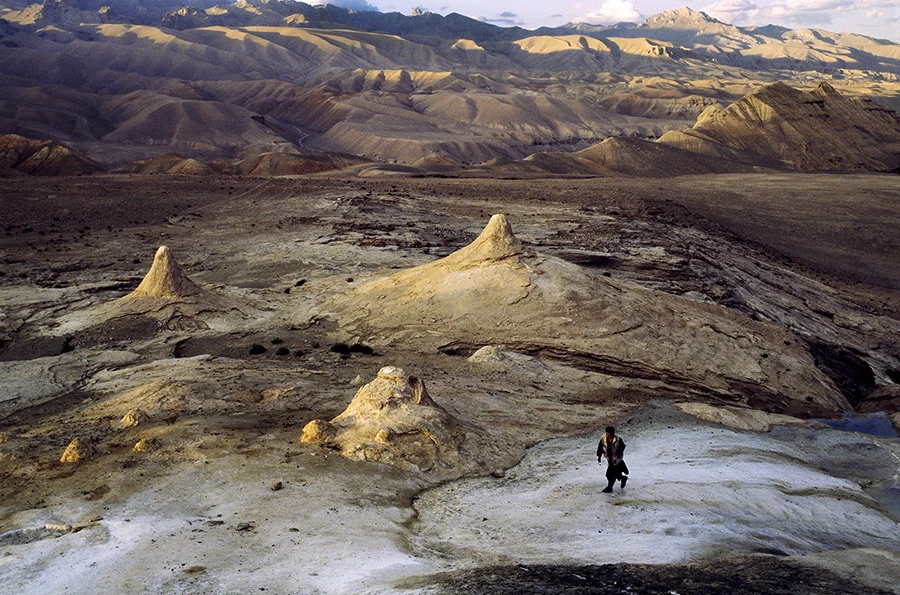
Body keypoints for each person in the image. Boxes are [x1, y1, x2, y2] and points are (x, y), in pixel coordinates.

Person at [597, 426, 628, 493]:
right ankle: (622, 478)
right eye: (607, 434)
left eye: (609, 435)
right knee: (614, 473)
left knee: (610, 474)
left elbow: (622, 447)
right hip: (609, 458)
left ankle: (610, 487)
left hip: (616, 460)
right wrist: (599, 456)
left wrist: (617, 453)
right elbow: (600, 447)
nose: (608, 436)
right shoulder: (603, 438)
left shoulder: (618, 440)